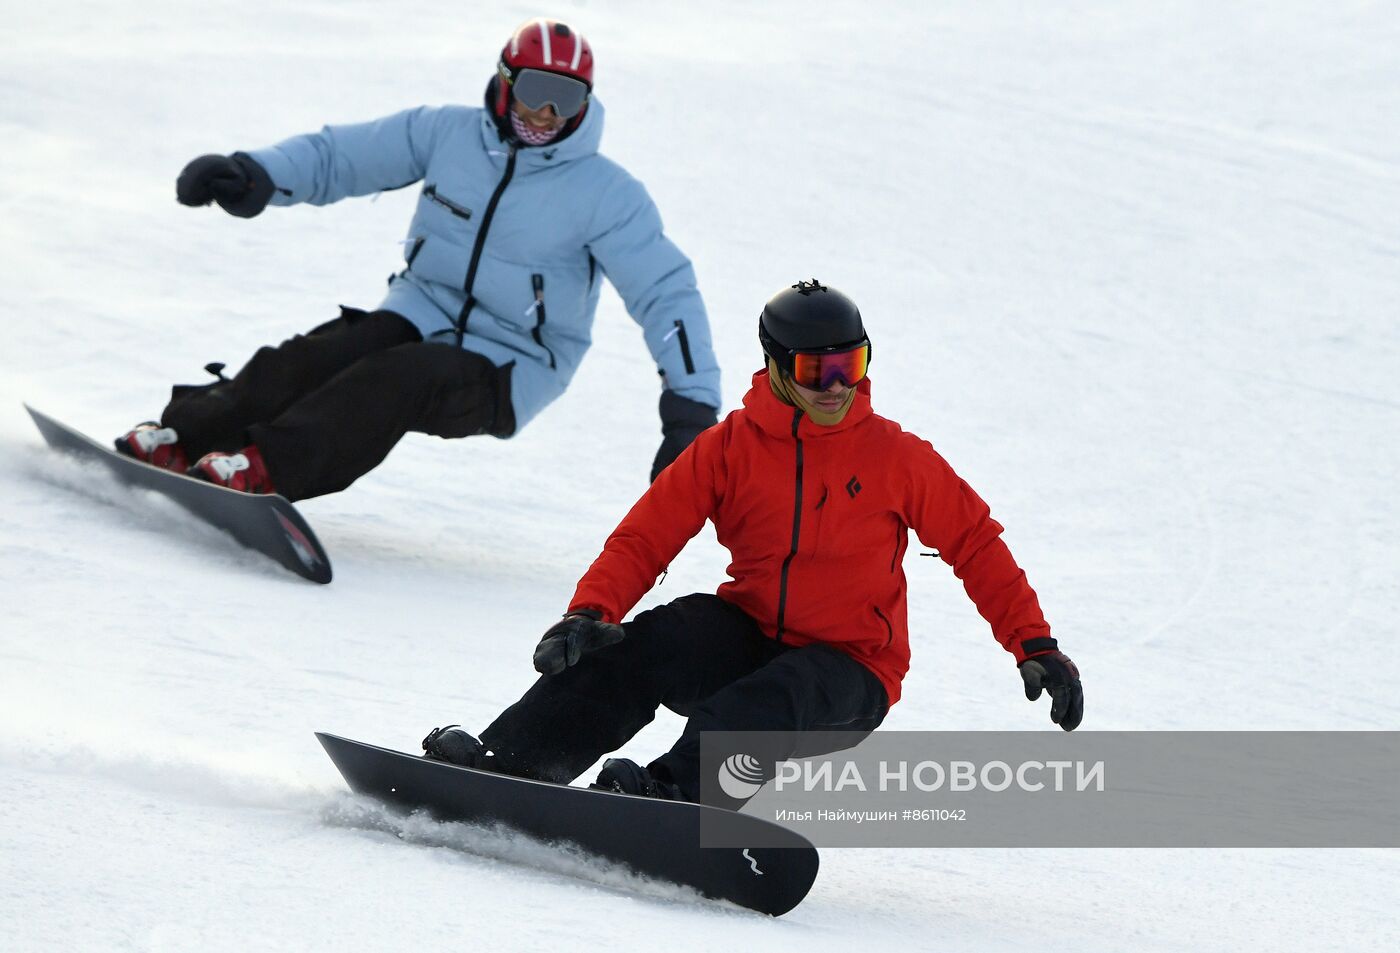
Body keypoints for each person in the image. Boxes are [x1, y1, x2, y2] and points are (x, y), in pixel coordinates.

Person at [421, 280, 1083, 804]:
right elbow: (647, 534)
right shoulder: (731, 449)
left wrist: (1035, 644)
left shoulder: (897, 457)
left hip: (852, 668)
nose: (836, 387)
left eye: (851, 366)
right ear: (775, 363)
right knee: (648, 642)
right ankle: (511, 763)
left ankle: (676, 796)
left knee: (770, 696)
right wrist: (590, 612)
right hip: (753, 630)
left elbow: (975, 542)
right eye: (816, 368)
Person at [115, 18, 721, 500]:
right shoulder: (446, 134)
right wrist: (256, 174)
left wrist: (690, 408)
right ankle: (182, 435)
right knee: (320, 355)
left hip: (512, 364)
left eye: (566, 99)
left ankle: (263, 469)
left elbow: (665, 293)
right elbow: (342, 157)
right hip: (420, 308)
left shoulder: (607, 195)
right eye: (535, 91)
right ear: (506, 81)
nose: (546, 115)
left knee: (397, 377)